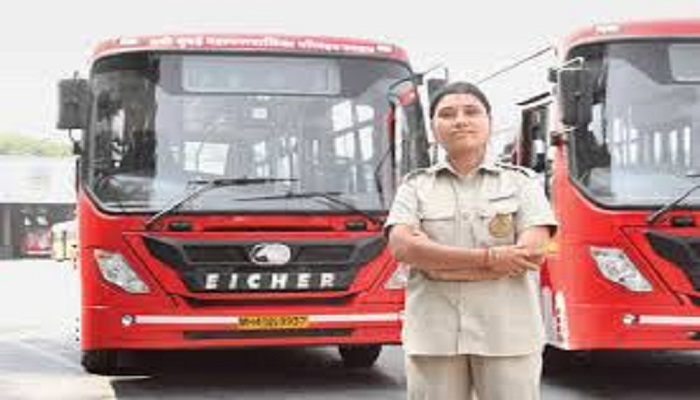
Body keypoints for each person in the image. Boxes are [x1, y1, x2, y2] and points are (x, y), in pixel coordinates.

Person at [384, 81, 558, 400]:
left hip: (508, 335)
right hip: (433, 336)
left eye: (471, 112)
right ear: (434, 127)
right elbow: (403, 247)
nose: (460, 120)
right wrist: (492, 261)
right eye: (447, 114)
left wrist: (437, 266)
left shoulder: (522, 183)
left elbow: (533, 251)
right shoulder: (415, 187)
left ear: (489, 122)